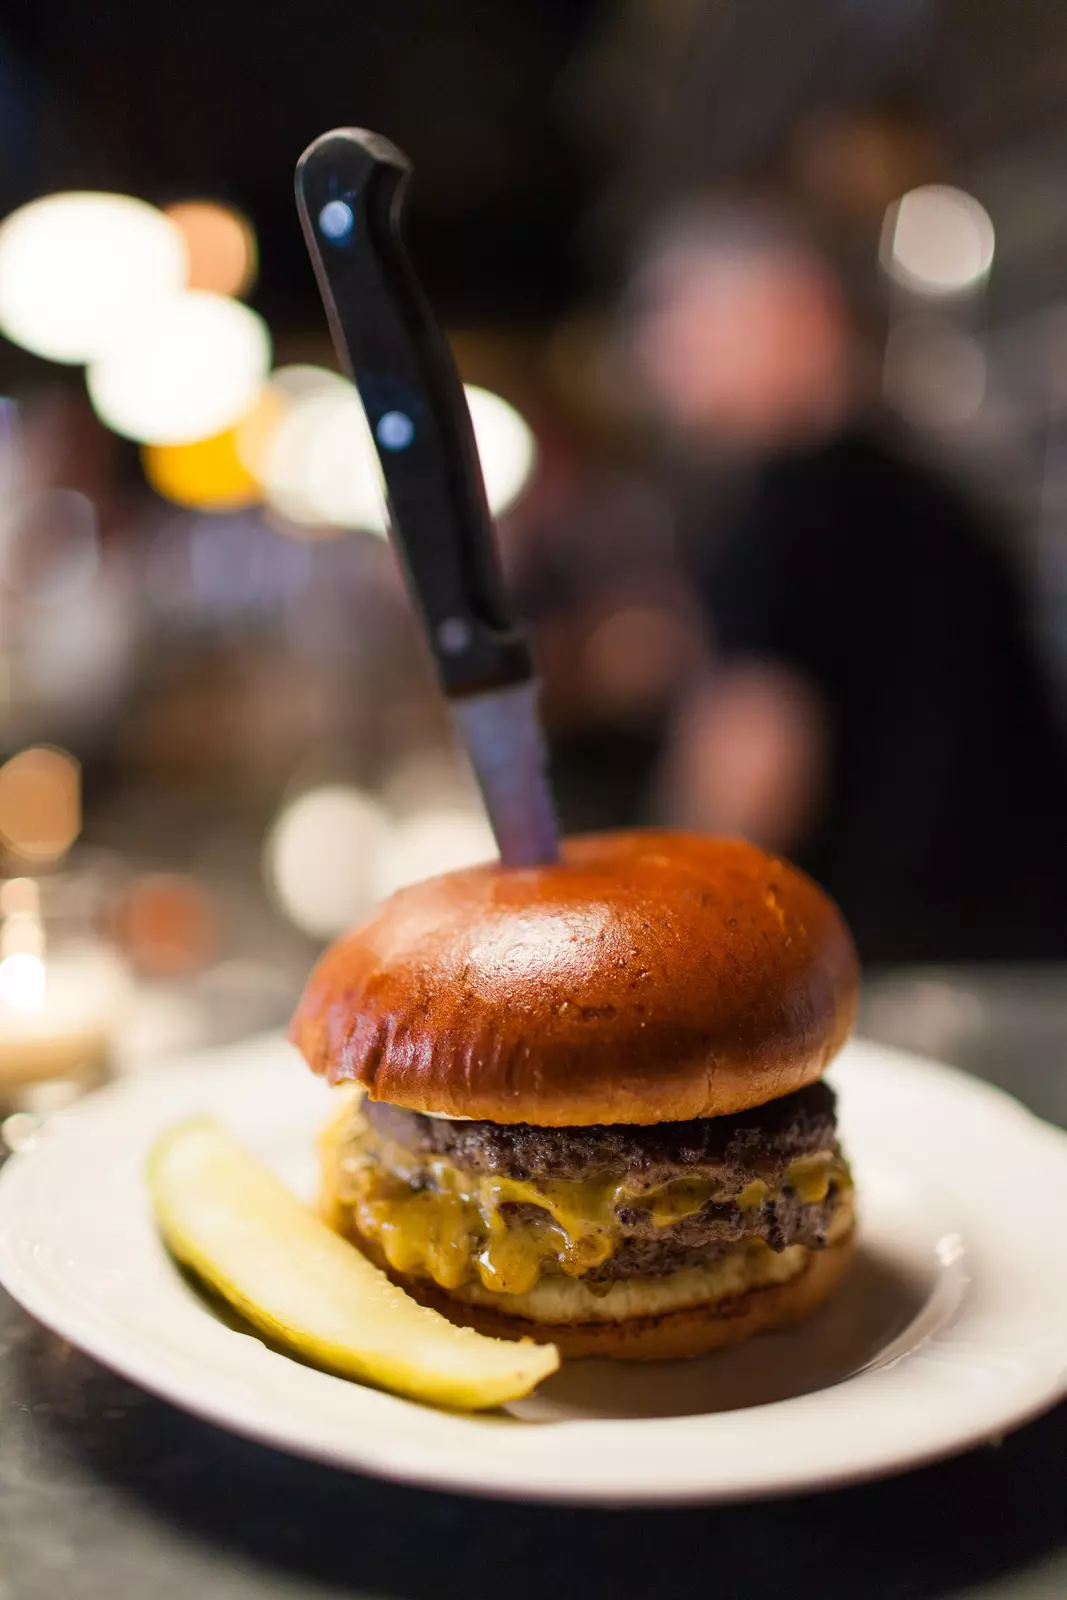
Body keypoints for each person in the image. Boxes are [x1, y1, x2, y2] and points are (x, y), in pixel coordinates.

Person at [631, 206, 1067, 962]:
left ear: (795, 309)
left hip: (907, 960)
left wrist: (646, 935)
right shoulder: (905, 485)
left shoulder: (799, 500)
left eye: (682, 320)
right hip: (1001, 941)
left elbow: (755, 762)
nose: (659, 360)